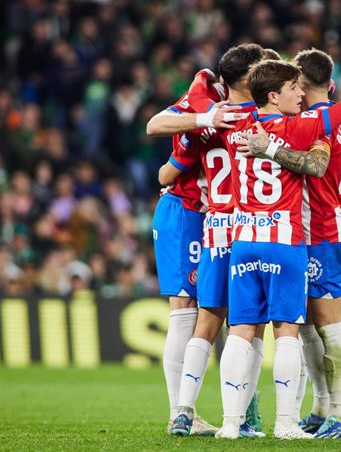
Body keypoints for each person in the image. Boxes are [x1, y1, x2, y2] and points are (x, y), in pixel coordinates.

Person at [213, 22, 341, 440]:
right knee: (297, 331)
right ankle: (308, 414)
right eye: (290, 87)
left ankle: (324, 414)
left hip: (259, 237)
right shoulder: (308, 124)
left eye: (299, 85)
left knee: (266, 331)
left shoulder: (239, 125)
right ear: (277, 95)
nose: (297, 92)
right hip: (293, 237)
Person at [148, 44, 270, 437]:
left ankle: (199, 409)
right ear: (250, 80)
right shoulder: (208, 99)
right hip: (191, 214)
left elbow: (169, 169)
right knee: (193, 312)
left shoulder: (214, 114)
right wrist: (201, 119)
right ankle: (181, 412)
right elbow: (155, 133)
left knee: (212, 317)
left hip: (213, 221)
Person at [287, 48, 341, 439]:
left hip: (317, 230)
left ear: (302, 83)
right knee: (304, 323)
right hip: (327, 225)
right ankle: (321, 407)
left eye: (293, 81)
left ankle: (339, 415)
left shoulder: (309, 122)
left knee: (328, 324)